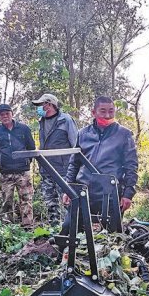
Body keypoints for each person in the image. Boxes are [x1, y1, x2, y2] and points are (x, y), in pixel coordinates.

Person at [61, 96, 138, 238]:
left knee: (113, 236)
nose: (107, 115)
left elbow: (131, 166)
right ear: (93, 112)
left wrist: (128, 194)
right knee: (69, 230)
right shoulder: (83, 134)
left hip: (110, 193)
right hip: (84, 190)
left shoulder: (124, 134)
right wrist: (68, 189)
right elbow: (74, 163)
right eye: (103, 111)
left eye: (111, 111)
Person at [32, 93, 78, 225]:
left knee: (66, 201)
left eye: (41, 105)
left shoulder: (65, 120)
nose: (39, 108)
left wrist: (75, 167)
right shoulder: (41, 121)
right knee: (50, 202)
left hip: (63, 170)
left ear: (49, 105)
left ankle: (70, 228)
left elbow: (76, 145)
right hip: (46, 168)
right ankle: (54, 228)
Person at [0, 104, 36, 228]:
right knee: (6, 201)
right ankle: (8, 227)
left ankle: (27, 226)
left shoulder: (24, 129)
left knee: (26, 199)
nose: (5, 116)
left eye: (7, 113)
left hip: (23, 171)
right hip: (5, 172)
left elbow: (31, 148)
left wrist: (25, 162)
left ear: (12, 114)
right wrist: (3, 161)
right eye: (2, 114)